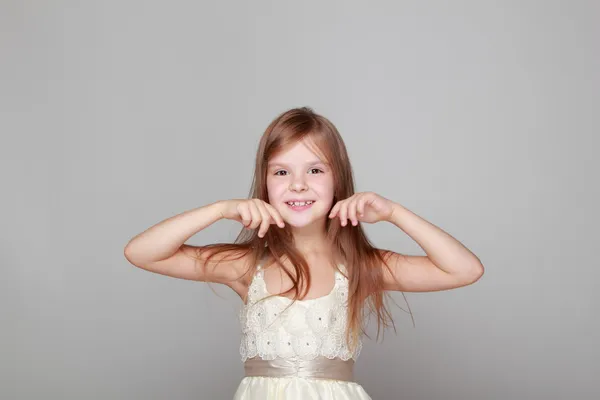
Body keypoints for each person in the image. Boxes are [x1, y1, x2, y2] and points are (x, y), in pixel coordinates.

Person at [124, 107, 484, 399]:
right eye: (282, 171)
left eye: (314, 170)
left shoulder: (362, 267)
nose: (298, 184)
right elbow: (142, 252)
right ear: (264, 183)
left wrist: (394, 213)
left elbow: (464, 270)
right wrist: (219, 209)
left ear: (338, 180)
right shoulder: (247, 266)